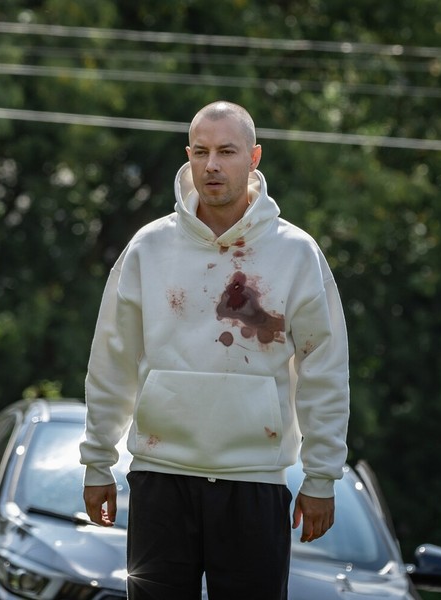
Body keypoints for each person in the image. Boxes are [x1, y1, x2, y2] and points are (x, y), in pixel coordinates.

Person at [80, 100, 350, 600]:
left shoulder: (296, 253)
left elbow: (325, 368)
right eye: (201, 152)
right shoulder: (148, 247)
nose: (212, 165)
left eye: (227, 151)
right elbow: (111, 359)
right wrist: (98, 460)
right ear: (188, 156)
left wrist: (321, 476)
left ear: (254, 157)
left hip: (256, 480)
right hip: (161, 476)